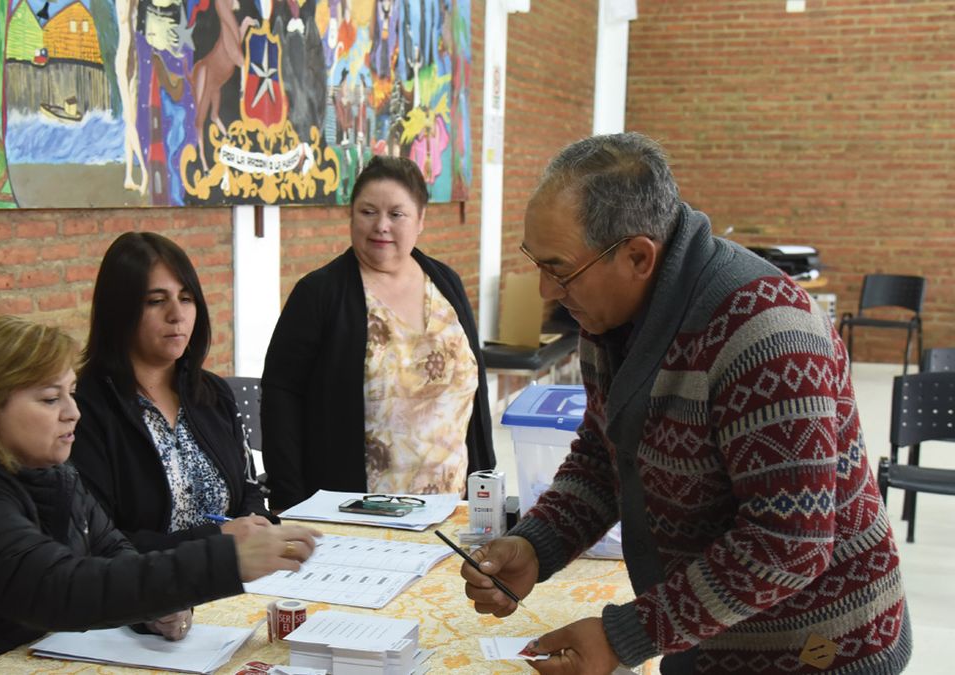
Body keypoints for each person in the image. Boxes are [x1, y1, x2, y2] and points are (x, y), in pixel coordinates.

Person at [460, 133, 910, 674]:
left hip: (819, 648)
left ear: (638, 256)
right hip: (707, 635)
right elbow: (606, 458)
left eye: (559, 269)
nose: (545, 291)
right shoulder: (606, 318)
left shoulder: (765, 331)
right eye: (537, 262)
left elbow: (790, 541)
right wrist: (536, 545)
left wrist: (624, 636)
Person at [0, 316, 319, 674]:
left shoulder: (45, 469)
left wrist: (157, 605)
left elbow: (112, 552)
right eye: (50, 399)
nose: (73, 413)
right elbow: (61, 590)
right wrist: (225, 560)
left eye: (71, 393)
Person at [262, 155, 494, 510]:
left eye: (396, 214)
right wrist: (289, 501)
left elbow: (475, 399)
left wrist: (485, 488)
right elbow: (282, 396)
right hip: (357, 511)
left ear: (420, 220)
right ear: (351, 216)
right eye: (368, 212)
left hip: (450, 506)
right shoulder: (319, 293)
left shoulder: (446, 283)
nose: (381, 226)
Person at [72, 232, 274, 556]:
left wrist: (258, 525)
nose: (177, 315)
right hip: (146, 596)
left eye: (186, 298)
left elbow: (248, 489)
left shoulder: (213, 393)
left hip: (235, 583)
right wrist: (217, 538)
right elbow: (100, 545)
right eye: (156, 301)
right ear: (118, 311)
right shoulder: (84, 409)